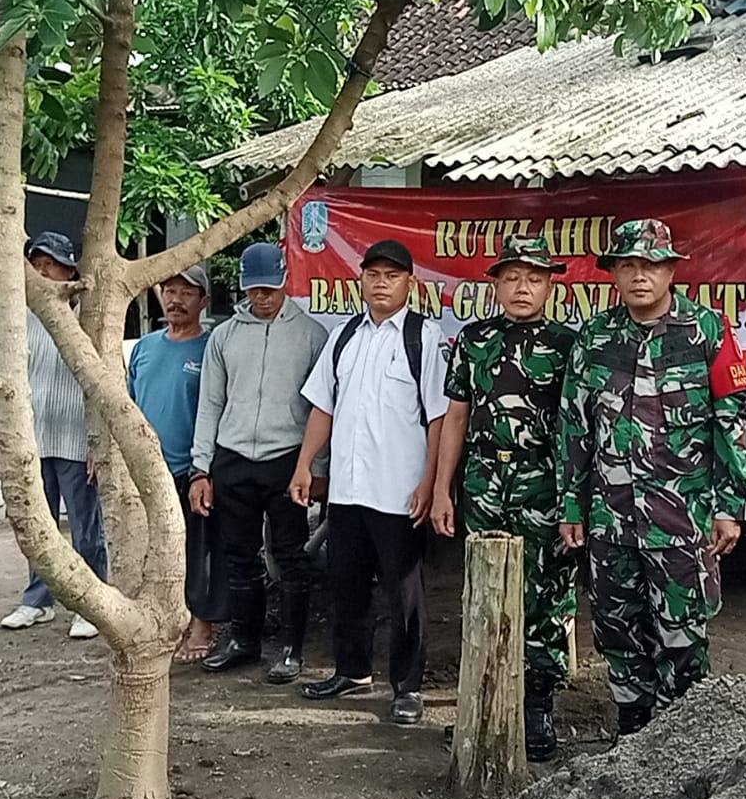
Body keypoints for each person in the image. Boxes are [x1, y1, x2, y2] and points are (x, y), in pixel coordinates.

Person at [558, 218, 746, 736]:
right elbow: (574, 428)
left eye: (650, 265)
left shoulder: (706, 331)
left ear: (670, 270)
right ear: (614, 275)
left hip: (683, 520)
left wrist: (729, 507)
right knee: (617, 630)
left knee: (682, 634)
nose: (639, 275)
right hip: (611, 521)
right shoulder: (594, 339)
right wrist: (573, 507)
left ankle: (684, 741)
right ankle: (631, 734)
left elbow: (733, 422)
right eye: (628, 266)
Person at [290, 239, 448, 725]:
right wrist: (304, 465)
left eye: (392, 275)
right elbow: (324, 406)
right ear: (360, 279)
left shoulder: (424, 337)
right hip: (348, 489)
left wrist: (430, 482)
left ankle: (407, 686)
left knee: (404, 593)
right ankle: (351, 669)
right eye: (373, 273)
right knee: (347, 583)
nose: (381, 283)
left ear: (410, 283)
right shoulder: (344, 337)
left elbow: (440, 418)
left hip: (399, 490)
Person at [432, 235, 577, 760]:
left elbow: (576, 429)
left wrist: (573, 501)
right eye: (513, 277)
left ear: (549, 285)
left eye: (534, 278)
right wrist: (443, 490)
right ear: (495, 283)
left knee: (543, 596)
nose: (523, 287)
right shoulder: (473, 340)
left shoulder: (567, 345)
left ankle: (536, 710)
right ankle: (483, 705)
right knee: (484, 594)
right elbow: (456, 416)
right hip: (485, 484)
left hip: (544, 486)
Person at [190, 242, 329, 682]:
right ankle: (244, 642)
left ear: (285, 280)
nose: (262, 298)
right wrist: (201, 468)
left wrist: (318, 469)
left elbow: (321, 410)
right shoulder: (224, 336)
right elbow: (209, 404)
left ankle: (290, 649)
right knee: (238, 555)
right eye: (254, 291)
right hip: (232, 460)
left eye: (269, 288)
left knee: (290, 555)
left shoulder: (311, 335)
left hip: (286, 459)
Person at [0, 232, 106, 639]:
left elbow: (103, 385)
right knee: (39, 525)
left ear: (71, 270)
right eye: (37, 265)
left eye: (51, 265)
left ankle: (91, 603)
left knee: (85, 527)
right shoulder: (21, 318)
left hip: (77, 441)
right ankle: (37, 600)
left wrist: (98, 442)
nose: (43, 273)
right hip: (35, 439)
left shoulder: (90, 318)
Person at [126, 263, 218, 660]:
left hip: (191, 469)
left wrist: (205, 469)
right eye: (169, 291)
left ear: (203, 301)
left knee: (197, 550)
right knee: (150, 550)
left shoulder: (211, 347)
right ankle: (161, 622)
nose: (176, 300)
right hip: (145, 471)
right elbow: (125, 405)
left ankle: (202, 626)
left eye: (186, 293)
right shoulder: (145, 347)